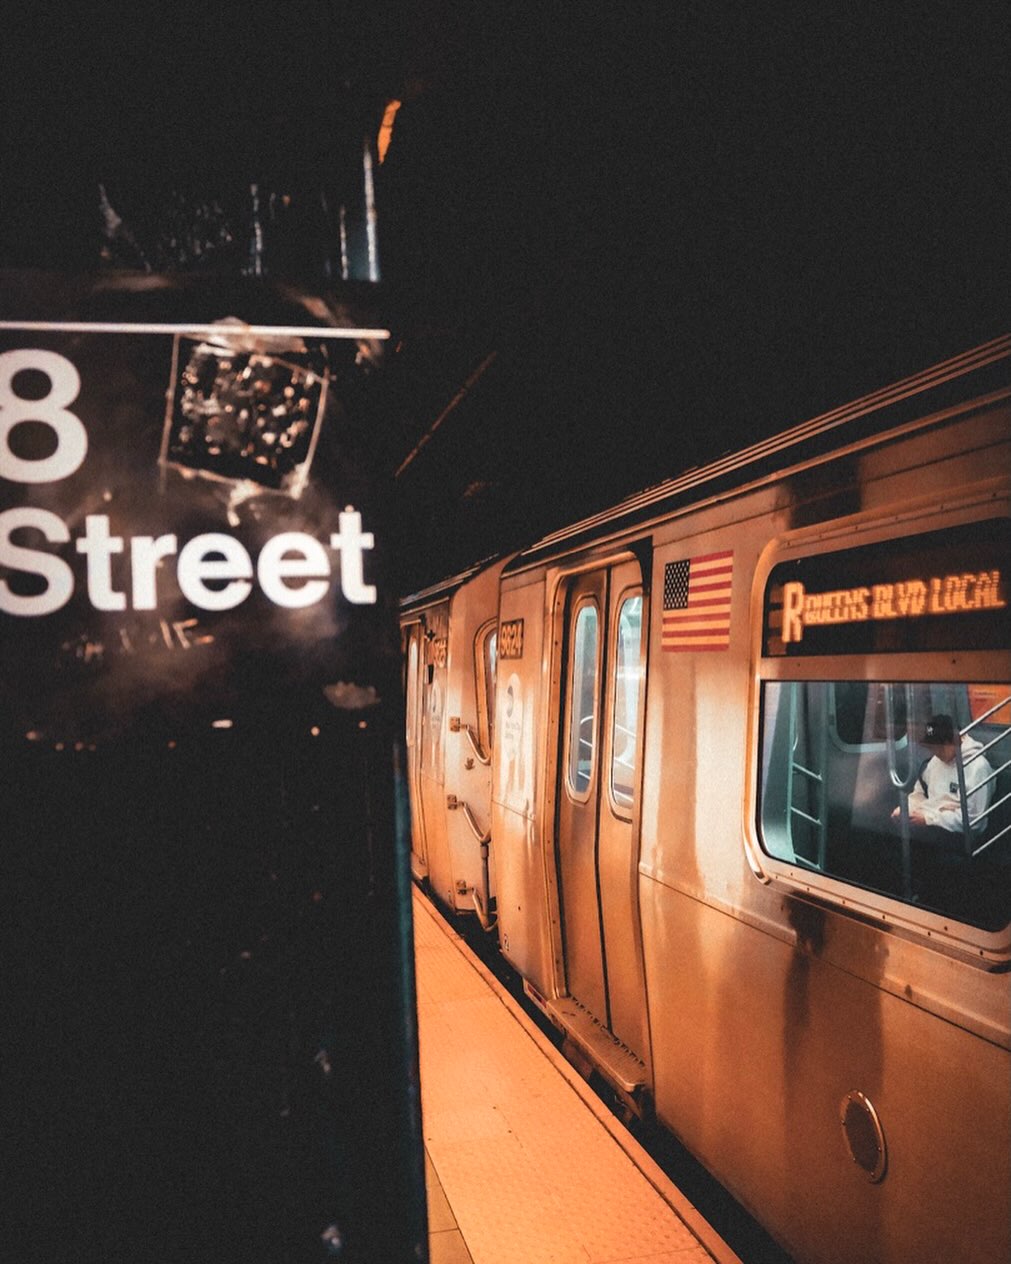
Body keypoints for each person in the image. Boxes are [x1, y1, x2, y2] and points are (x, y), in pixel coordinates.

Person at [892, 714, 994, 844]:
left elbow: (974, 821)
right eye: (932, 748)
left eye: (939, 748)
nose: (936, 753)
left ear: (954, 741)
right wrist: (907, 808)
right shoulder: (935, 762)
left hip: (956, 835)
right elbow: (920, 792)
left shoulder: (977, 768)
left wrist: (930, 820)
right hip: (930, 823)